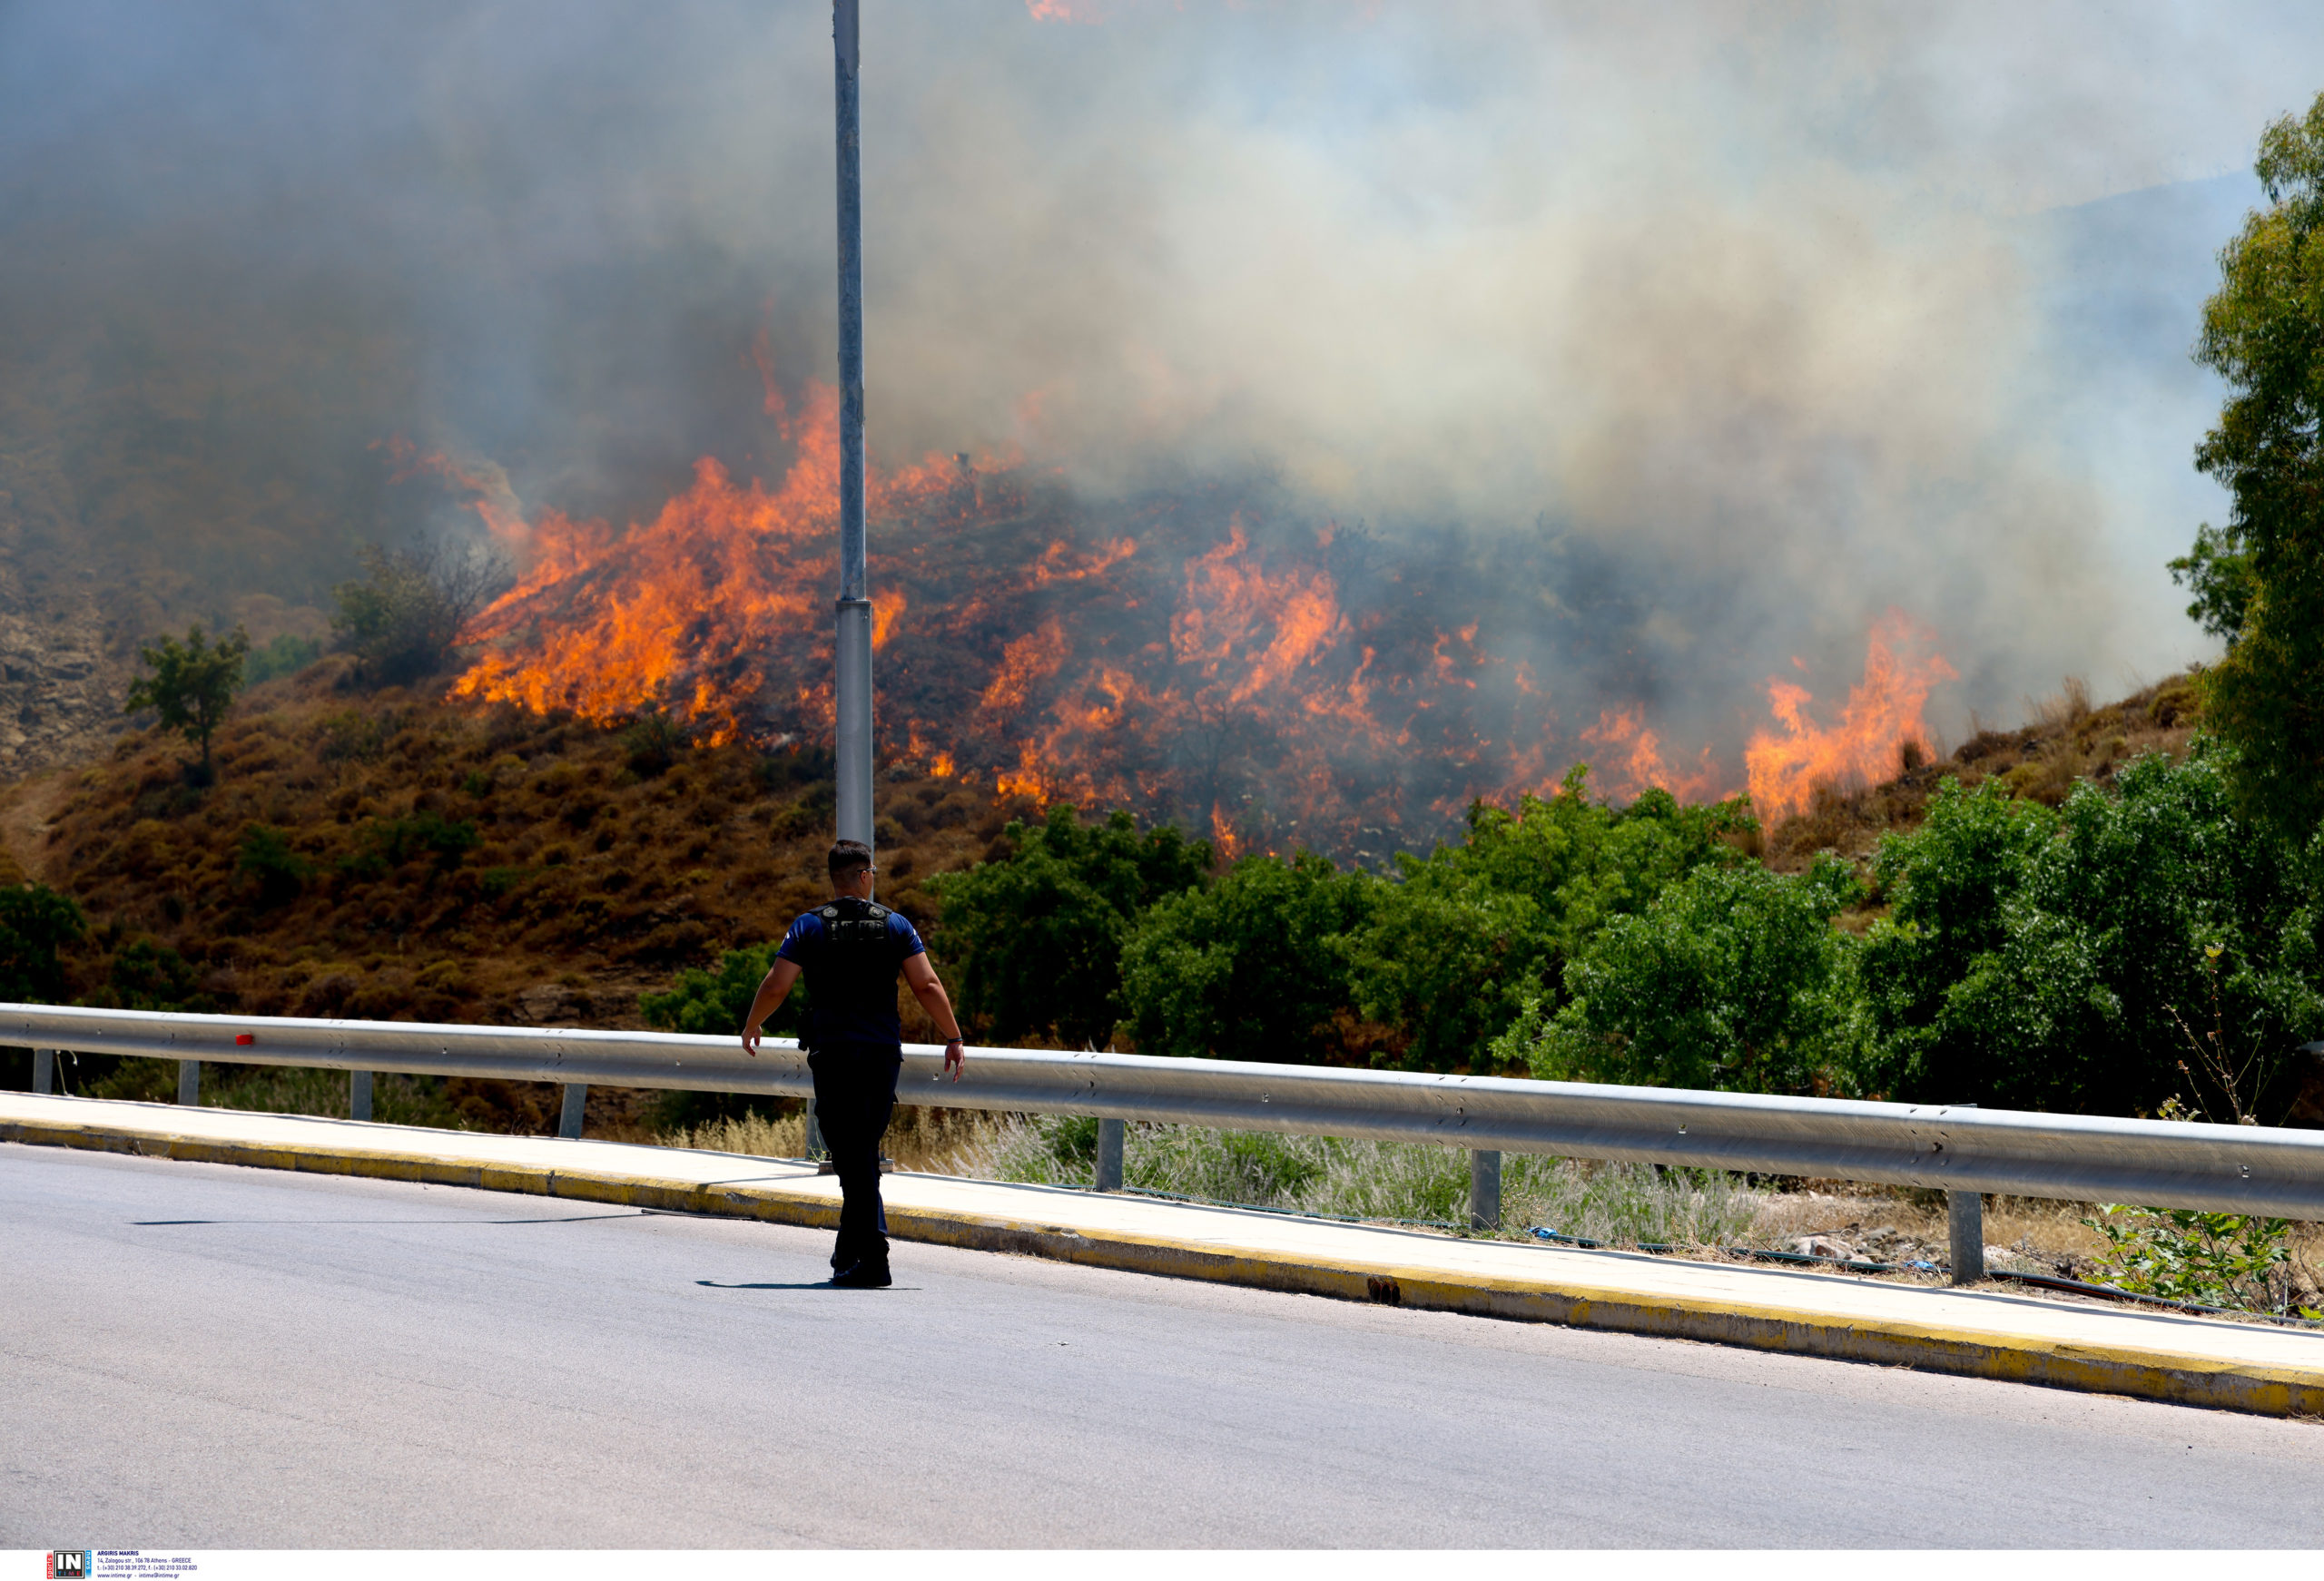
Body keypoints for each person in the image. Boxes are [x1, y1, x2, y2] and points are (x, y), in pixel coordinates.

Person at [741, 839, 965, 1288]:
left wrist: (752, 1024)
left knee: (852, 1152)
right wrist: (953, 1035)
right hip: (882, 1055)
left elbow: (776, 986)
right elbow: (927, 985)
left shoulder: (808, 927)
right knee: (859, 1151)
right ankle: (852, 1253)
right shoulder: (896, 925)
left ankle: (871, 1255)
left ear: (835, 877)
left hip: (833, 1054)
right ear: (865, 876)